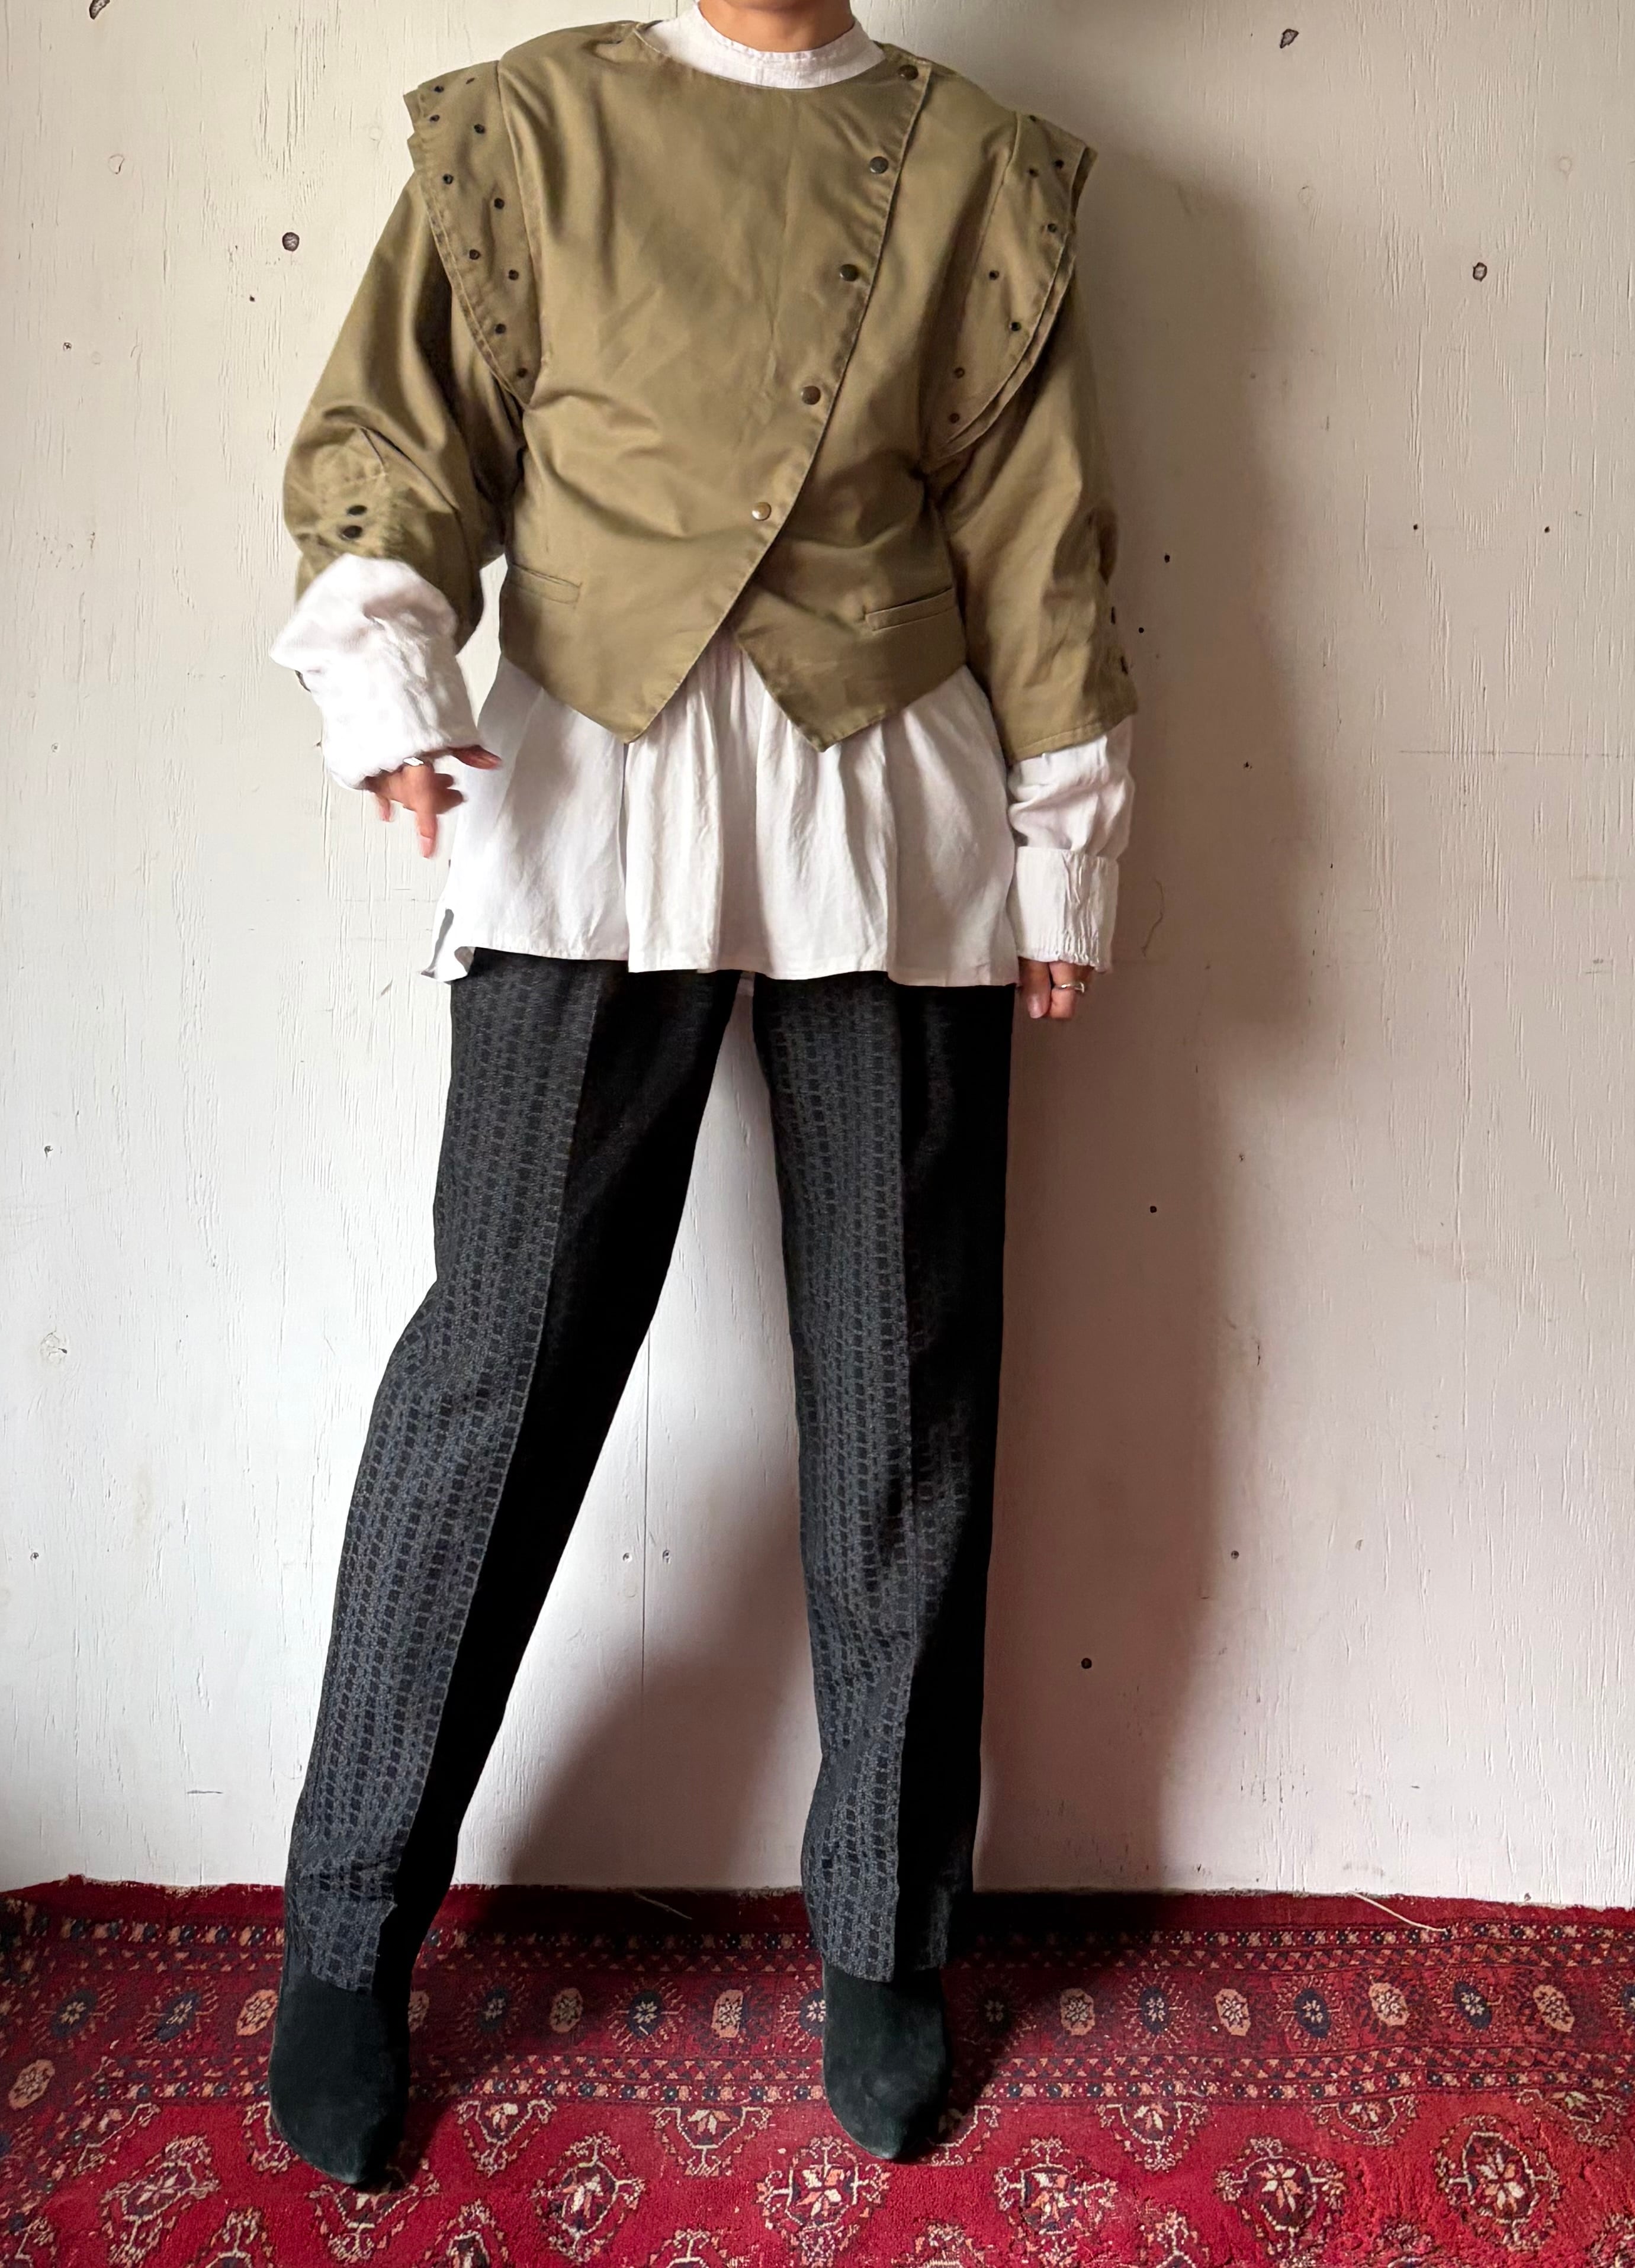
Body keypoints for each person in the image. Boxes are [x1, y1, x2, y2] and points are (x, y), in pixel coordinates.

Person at [266, 0, 1136, 2188]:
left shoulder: (977, 161)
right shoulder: (527, 129)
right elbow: (399, 429)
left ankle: (885, 1932)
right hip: (583, 789)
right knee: (496, 1367)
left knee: (905, 1386)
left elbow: (1035, 526)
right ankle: (347, 1934)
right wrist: (389, 669)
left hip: (889, 806)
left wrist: (1064, 840)